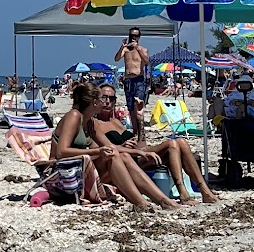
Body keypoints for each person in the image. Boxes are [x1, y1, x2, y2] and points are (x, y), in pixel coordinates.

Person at [51, 83, 178, 211]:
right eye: (102, 98)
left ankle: (162, 201)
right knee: (112, 155)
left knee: (124, 155)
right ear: (94, 102)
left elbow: (110, 146)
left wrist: (139, 152)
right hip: (61, 174)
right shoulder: (74, 116)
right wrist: (98, 151)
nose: (104, 102)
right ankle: (141, 202)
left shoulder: (90, 122)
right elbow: (61, 152)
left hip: (79, 169)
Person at [89, 81, 217, 203]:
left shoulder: (117, 122)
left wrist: (140, 119)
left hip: (136, 158)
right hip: (119, 163)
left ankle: (204, 190)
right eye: (104, 97)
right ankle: (183, 192)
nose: (107, 101)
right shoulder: (95, 124)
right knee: (171, 144)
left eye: (111, 98)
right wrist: (122, 146)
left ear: (115, 102)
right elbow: (97, 150)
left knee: (181, 142)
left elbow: (141, 146)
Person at [115, 28, 154, 142]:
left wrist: (137, 48)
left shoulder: (143, 49)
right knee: (131, 108)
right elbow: (116, 59)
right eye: (131, 35)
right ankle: (135, 132)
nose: (133, 37)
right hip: (128, 80)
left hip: (139, 80)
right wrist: (122, 47)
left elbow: (146, 61)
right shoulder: (126, 50)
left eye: (135, 35)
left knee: (139, 106)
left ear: (139, 37)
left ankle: (141, 132)